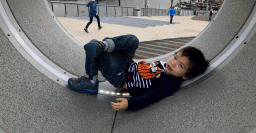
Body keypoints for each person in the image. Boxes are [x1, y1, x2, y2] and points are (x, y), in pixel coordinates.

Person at [68, 35, 208, 111]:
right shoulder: (167, 67)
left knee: (97, 53)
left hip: (120, 75)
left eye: (180, 65)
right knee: (133, 40)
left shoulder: (170, 82)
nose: (173, 63)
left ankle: (91, 81)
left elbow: (151, 96)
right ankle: (104, 45)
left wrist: (130, 104)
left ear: (186, 75)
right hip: (128, 64)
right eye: (175, 57)